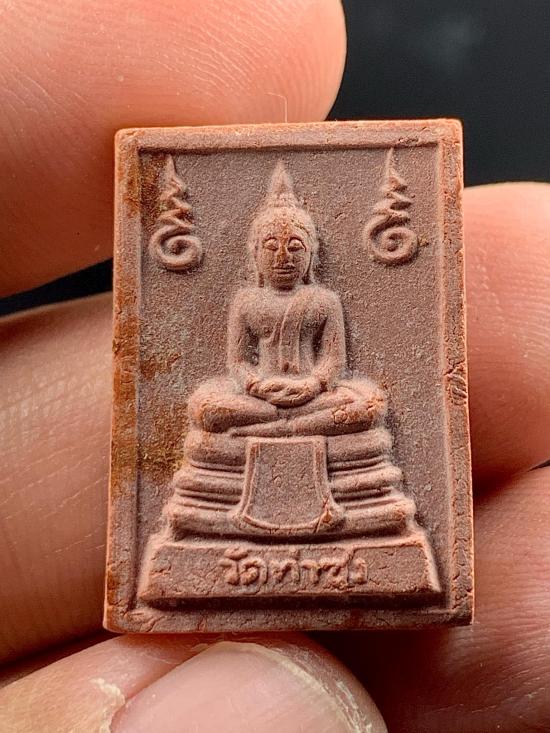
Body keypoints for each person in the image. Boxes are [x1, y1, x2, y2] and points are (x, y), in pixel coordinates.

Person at [1, 1, 549, 732]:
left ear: (310, 253)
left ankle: (332, 507)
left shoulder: (323, 299)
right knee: (208, 405)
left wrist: (307, 388)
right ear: (257, 253)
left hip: (313, 400)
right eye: (273, 247)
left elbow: (333, 367)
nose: (284, 257)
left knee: (362, 402)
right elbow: (236, 367)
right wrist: (263, 388)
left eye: (295, 248)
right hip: (259, 400)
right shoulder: (247, 303)